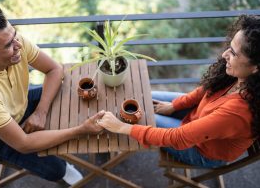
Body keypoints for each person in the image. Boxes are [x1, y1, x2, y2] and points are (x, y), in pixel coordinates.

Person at [0, 7, 105, 185]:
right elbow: (24, 143)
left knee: (68, 89)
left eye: (15, 35)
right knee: (56, 169)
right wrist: (80, 131)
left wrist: (40, 112)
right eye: (8, 45)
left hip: (20, 103)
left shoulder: (14, 41)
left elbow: (55, 69)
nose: (18, 44)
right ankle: (67, 159)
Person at [98, 14, 260, 168]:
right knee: (141, 98)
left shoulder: (238, 113)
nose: (224, 54)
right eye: (229, 47)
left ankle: (111, 136)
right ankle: (115, 128)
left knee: (137, 117)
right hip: (197, 118)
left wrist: (121, 128)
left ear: (256, 67)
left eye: (233, 53)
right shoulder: (240, 76)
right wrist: (174, 106)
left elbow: (178, 138)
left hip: (202, 149)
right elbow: (205, 90)